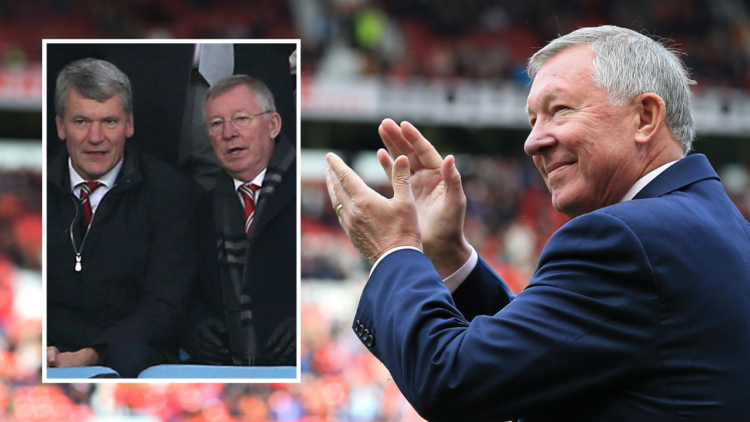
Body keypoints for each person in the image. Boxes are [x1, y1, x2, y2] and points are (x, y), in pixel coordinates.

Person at [325, 26, 750, 421]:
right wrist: (448, 253)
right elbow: (549, 352)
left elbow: (451, 380)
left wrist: (395, 249)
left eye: (559, 110)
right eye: (533, 121)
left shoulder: (625, 238)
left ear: (644, 117)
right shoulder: (719, 224)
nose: (533, 142)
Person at [47, 58, 197, 378]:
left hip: (131, 348)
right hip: (48, 344)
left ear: (129, 124)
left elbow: (164, 307)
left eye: (110, 122)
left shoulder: (171, 194)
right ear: (60, 126)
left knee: (128, 358)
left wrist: (92, 354)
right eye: (82, 121)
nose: (96, 137)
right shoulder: (37, 188)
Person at [182, 75, 296, 366]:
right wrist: (195, 326)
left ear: (273, 125)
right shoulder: (199, 208)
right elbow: (184, 291)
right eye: (216, 124)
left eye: (241, 119)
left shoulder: (306, 188)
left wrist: (304, 323)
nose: (228, 133)